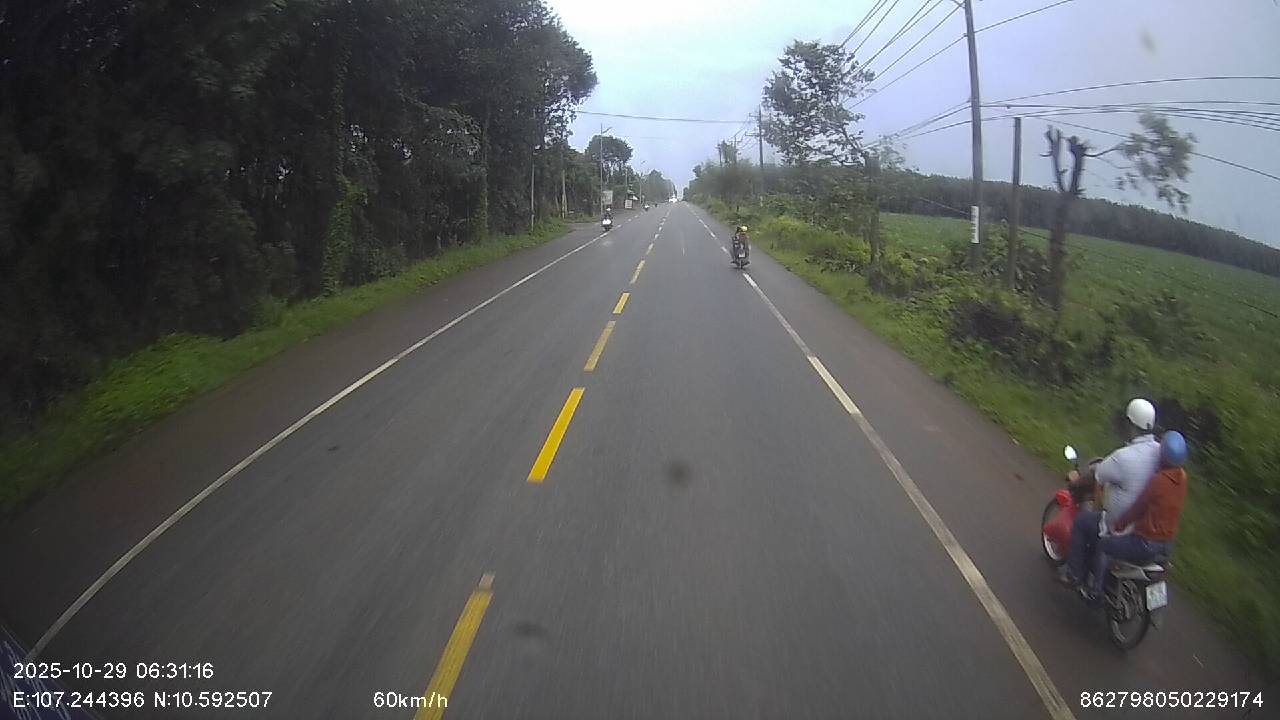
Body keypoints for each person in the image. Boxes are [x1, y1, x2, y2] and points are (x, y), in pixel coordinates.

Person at [1059, 398, 1161, 601]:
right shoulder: (1160, 452)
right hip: (1146, 527)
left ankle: (1075, 575)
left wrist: (1077, 481)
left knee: (1082, 522)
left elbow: (1097, 476)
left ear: (1130, 424)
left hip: (1120, 526)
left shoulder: (1122, 457)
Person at [1101, 430, 1188, 568]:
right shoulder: (1182, 478)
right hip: (1167, 545)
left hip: (1146, 543)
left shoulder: (1159, 480)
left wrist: (1119, 525)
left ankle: (1096, 583)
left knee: (1103, 546)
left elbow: (1139, 507)